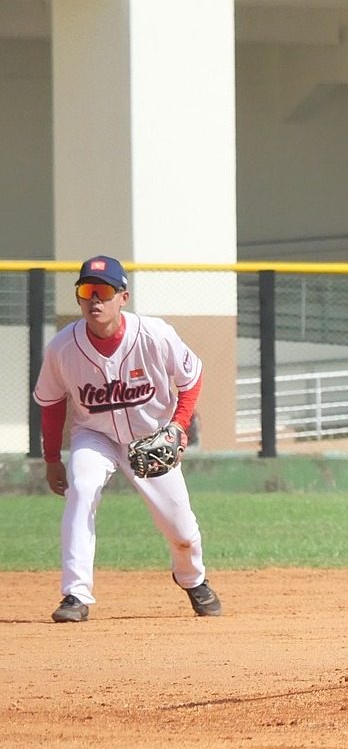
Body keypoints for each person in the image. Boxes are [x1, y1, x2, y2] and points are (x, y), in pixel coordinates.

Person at [33, 256, 222, 623]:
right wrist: (52, 459)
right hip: (95, 435)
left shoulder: (155, 334)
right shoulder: (62, 348)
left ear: (123, 297)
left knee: (181, 530)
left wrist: (179, 426)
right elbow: (51, 404)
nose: (94, 299)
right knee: (82, 488)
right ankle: (75, 594)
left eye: (103, 291)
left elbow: (191, 378)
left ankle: (193, 579)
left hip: (152, 436)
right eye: (87, 290)